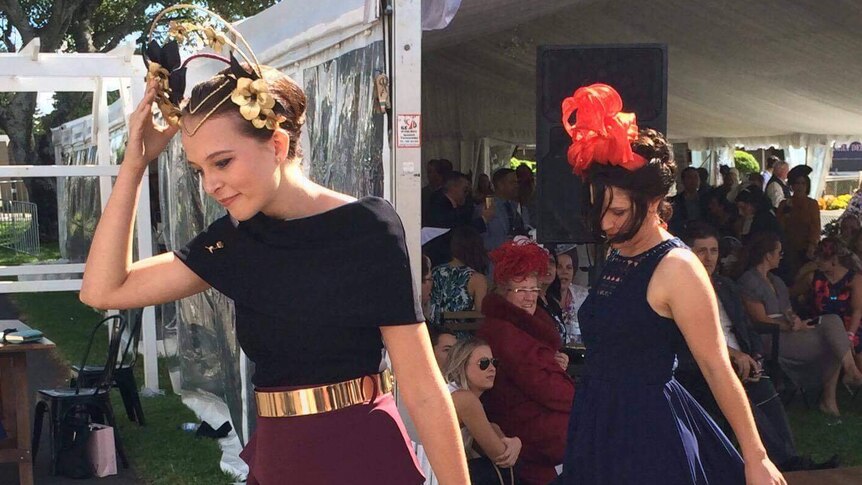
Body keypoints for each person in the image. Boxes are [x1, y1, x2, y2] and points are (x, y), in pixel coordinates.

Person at [78, 7, 469, 484]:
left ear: (278, 146)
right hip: (280, 460)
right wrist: (135, 164)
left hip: (362, 456)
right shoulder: (236, 240)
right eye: (199, 169)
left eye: (222, 162)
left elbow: (423, 387)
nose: (211, 184)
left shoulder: (366, 227)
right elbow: (102, 290)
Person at [557, 84, 783, 484]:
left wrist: (756, 457)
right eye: (598, 211)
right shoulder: (619, 250)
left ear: (653, 201)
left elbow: (716, 368)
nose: (605, 223)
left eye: (618, 211)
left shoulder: (678, 267)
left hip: (647, 436)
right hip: (598, 422)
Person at [680, 224, 838, 472]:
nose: (708, 257)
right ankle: (781, 463)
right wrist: (732, 356)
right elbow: (686, 339)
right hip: (706, 364)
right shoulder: (680, 290)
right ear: (688, 253)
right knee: (745, 403)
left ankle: (789, 460)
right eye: (701, 251)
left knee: (765, 392)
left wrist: (755, 355)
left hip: (740, 358)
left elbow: (746, 327)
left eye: (713, 250)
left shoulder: (725, 286)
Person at [477, 239, 574, 485]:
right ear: (504, 292)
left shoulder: (516, 328)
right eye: (521, 291)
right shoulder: (508, 334)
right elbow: (547, 388)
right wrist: (585, 401)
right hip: (529, 438)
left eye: (534, 290)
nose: (530, 298)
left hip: (532, 437)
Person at [737, 232, 862, 417]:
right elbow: (760, 319)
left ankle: (838, 387)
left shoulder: (776, 281)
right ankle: (837, 388)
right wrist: (790, 326)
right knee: (834, 340)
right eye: (779, 252)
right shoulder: (749, 281)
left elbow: (788, 310)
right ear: (767, 255)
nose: (781, 256)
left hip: (790, 332)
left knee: (833, 323)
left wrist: (794, 319)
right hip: (770, 337)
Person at [444, 338, 522, 483]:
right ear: (462, 366)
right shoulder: (465, 399)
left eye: (494, 362)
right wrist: (517, 442)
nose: (492, 368)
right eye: (484, 363)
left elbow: (482, 444)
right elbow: (501, 456)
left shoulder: (453, 393)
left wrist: (495, 428)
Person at [806, 238, 862, 370]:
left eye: (821, 258)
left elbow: (857, 311)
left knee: (858, 343)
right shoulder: (813, 278)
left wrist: (850, 336)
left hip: (851, 325)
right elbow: (792, 292)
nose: (817, 261)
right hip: (822, 324)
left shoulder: (855, 279)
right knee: (829, 340)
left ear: (834, 260)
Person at [428, 225, 489, 326]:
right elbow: (480, 317)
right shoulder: (477, 279)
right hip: (462, 336)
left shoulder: (435, 271)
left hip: (434, 334)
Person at [777, 173, 820, 281]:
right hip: (788, 248)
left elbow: (815, 226)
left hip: (806, 248)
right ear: (792, 185)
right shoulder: (784, 204)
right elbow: (778, 227)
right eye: (797, 183)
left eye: (803, 183)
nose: (800, 186)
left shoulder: (812, 204)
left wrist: (812, 245)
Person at [480, 168, 532, 252]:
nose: (517, 186)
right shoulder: (486, 208)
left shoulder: (521, 209)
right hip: (496, 259)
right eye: (512, 182)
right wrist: (507, 242)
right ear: (500, 185)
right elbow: (480, 240)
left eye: (517, 182)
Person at [553, 249, 589, 344]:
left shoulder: (583, 296)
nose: (565, 272)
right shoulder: (544, 299)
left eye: (569, 267)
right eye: (559, 267)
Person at [668, 166, 707, 235]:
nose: (693, 180)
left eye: (696, 177)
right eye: (689, 177)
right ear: (683, 181)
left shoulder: (705, 199)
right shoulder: (675, 201)